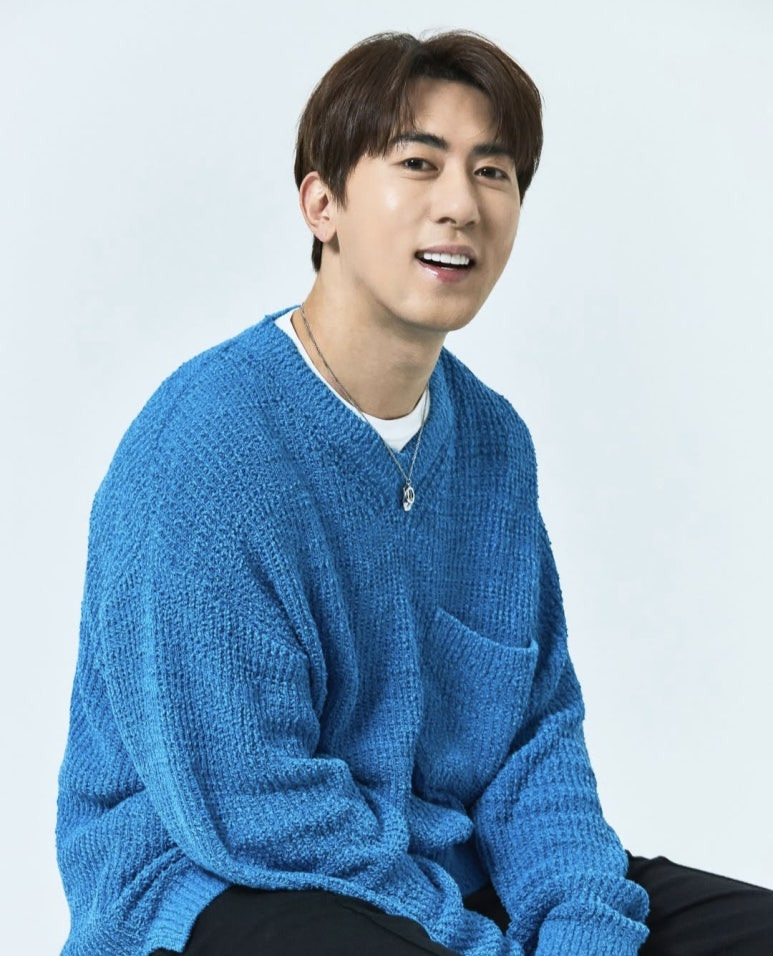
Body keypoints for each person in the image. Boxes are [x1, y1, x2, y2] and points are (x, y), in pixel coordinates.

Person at [56, 30, 773, 956]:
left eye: (492, 172)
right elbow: (248, 804)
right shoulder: (207, 450)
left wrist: (579, 928)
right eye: (418, 164)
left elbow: (534, 741)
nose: (461, 206)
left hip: (448, 868)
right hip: (221, 879)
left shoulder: (491, 445)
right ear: (322, 204)